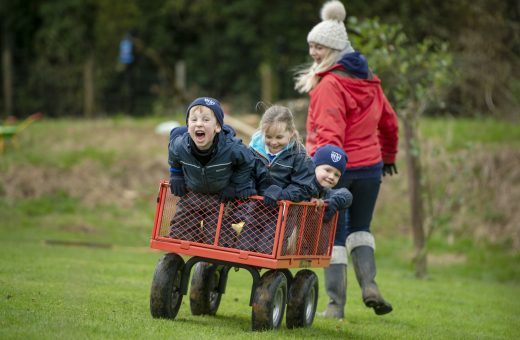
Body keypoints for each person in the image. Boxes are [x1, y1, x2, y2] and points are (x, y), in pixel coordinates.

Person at [295, 0, 398, 316]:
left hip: (338, 169)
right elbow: (390, 122)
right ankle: (369, 285)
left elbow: (330, 134)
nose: (313, 52)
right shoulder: (370, 80)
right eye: (311, 45)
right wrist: (389, 155)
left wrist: (324, 170)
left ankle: (335, 306)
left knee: (333, 235)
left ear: (335, 49)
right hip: (371, 169)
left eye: (320, 47)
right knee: (361, 228)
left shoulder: (331, 85)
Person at [168, 97, 255, 243]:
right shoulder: (179, 145)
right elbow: (174, 156)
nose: (199, 124)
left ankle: (220, 252)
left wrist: (234, 185)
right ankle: (188, 250)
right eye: (193, 120)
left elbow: (247, 163)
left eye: (206, 120)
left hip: (219, 197)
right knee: (179, 235)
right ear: (188, 125)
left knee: (218, 240)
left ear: (218, 127)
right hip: (192, 195)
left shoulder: (232, 148)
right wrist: (176, 175)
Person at [236, 105, 317, 254]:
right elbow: (246, 171)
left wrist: (281, 193)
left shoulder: (299, 156)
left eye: (279, 137)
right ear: (262, 133)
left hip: (282, 211)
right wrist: (248, 186)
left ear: (291, 133)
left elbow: (304, 187)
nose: (273, 142)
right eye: (268, 137)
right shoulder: (254, 150)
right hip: (256, 207)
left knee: (268, 250)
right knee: (244, 248)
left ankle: (271, 274)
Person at [310, 144, 353, 319]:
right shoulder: (302, 184)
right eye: (327, 170)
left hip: (313, 242)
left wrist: (333, 202)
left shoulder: (328, 193)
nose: (331, 176)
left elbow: (346, 195)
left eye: (336, 174)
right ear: (314, 166)